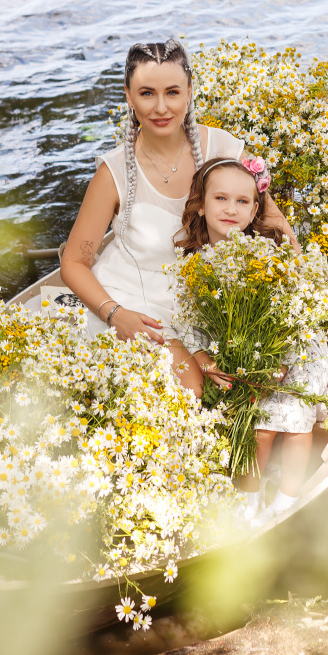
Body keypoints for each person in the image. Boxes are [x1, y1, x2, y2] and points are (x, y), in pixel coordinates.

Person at [60, 39, 296, 396]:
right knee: (193, 387)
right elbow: (74, 261)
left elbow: (278, 227)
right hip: (138, 301)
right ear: (128, 95)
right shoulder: (114, 173)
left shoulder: (225, 150)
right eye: (146, 93)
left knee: (258, 380)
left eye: (172, 92)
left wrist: (287, 294)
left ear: (189, 92)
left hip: (212, 298)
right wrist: (115, 314)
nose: (160, 107)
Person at [172, 157, 328, 524]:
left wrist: (281, 364)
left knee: (291, 418)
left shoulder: (270, 254)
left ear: (255, 208)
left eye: (242, 202)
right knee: (256, 426)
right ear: (200, 204)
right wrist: (205, 363)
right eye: (220, 199)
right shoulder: (193, 261)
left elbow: (295, 313)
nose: (231, 209)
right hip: (245, 351)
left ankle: (288, 496)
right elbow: (186, 320)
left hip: (294, 347)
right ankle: (249, 496)